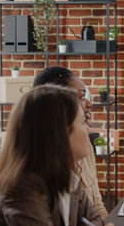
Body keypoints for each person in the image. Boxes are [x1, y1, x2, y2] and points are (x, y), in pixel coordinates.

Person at [0, 86, 113, 226]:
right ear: (60, 134)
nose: (89, 129)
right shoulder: (23, 189)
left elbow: (95, 220)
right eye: (83, 122)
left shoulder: (68, 178)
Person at [33, 66, 108, 219]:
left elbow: (96, 208)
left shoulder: (83, 150)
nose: (89, 104)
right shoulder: (34, 183)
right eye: (81, 97)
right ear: (56, 106)